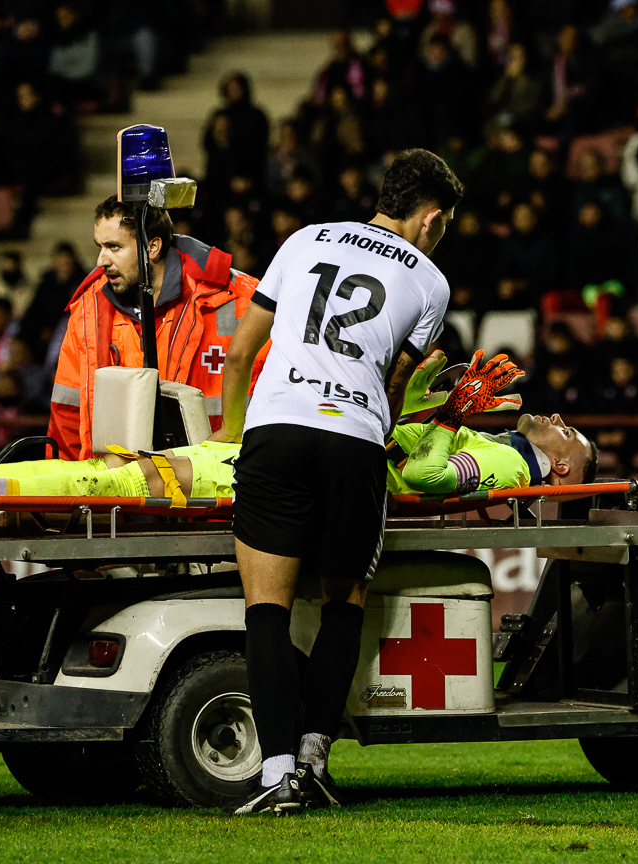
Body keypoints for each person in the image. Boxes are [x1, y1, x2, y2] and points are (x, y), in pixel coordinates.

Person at [214, 148, 463, 815]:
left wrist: (231, 436)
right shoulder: (431, 281)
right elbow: (396, 380)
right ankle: (314, 761)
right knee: (343, 602)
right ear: (430, 218)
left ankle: (274, 776)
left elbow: (240, 353)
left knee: (266, 609)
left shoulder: (304, 240)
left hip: (277, 428)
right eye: (444, 224)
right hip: (353, 438)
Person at [0, 352, 596, 517]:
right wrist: (425, 403)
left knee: (122, 480)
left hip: (287, 475)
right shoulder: (496, 446)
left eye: (571, 436)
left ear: (559, 471)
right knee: (115, 470)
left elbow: (421, 477)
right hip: (287, 451)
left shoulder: (511, 470)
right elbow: (404, 440)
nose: (560, 422)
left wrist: (445, 421)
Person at [48, 196, 267, 461]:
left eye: (114, 247)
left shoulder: (243, 299)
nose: (101, 260)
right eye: (100, 247)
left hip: (220, 477)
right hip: (113, 482)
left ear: (152, 247)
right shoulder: (89, 310)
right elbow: (67, 413)